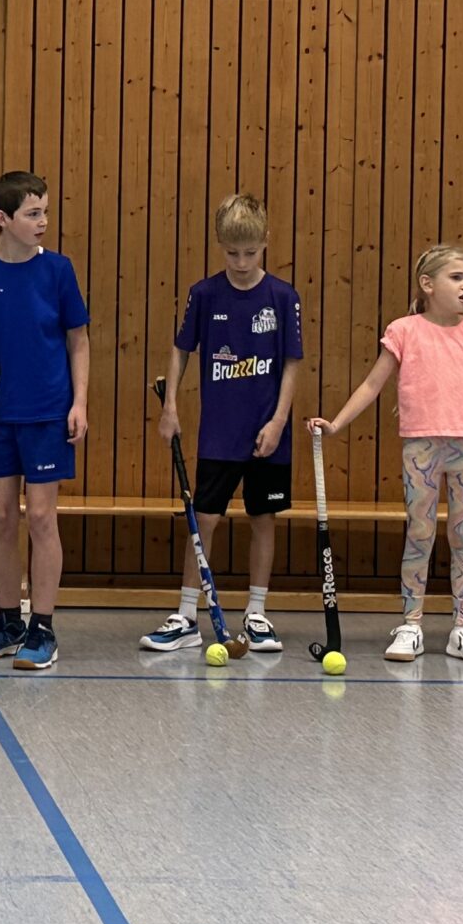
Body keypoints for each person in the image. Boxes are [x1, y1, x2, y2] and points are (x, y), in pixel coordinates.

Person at [311, 245, 463, 665]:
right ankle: (411, 624)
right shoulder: (404, 330)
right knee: (420, 533)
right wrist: (337, 423)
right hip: (421, 448)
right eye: (457, 277)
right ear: (427, 284)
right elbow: (372, 384)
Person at [150, 192, 302, 655]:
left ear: (266, 242)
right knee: (204, 520)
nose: (240, 262)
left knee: (263, 518)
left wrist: (278, 421)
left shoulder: (282, 297)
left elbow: (292, 364)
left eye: (250, 253)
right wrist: (170, 407)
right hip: (219, 432)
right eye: (232, 253)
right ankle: (186, 615)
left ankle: (257, 613)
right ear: (220, 245)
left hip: (267, 432)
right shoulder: (204, 294)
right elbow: (181, 350)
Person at [0, 171, 91, 673]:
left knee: (40, 518)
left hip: (47, 412)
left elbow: (79, 341)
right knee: (0, 517)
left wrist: (79, 403)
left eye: (45, 212)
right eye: (33, 213)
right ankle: (9, 621)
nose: (43, 222)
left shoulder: (57, 270)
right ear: (3, 218)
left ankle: (43, 627)